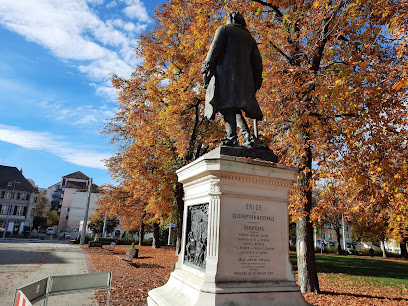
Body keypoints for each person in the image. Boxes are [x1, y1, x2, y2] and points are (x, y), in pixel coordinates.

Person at [201, 11, 263, 148]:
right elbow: (257, 62)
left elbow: (213, 51)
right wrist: (256, 81)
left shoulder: (223, 30)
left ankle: (232, 137)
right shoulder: (249, 38)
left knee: (227, 107)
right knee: (234, 107)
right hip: (245, 81)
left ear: (230, 19)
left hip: (226, 77)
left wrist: (206, 70)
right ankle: (246, 135)